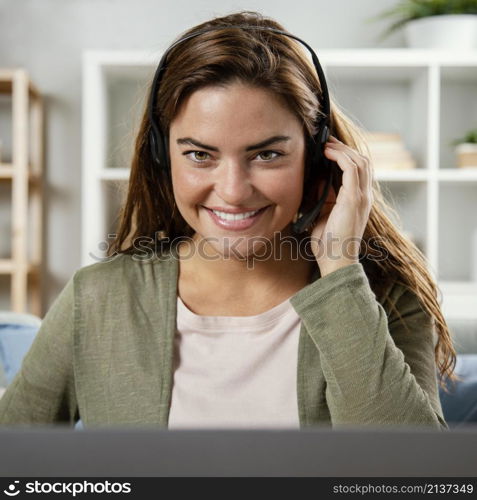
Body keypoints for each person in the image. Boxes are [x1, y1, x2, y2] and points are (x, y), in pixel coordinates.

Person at [0, 11, 456, 429]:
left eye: (268, 154)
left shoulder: (386, 303)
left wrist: (339, 271)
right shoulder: (97, 299)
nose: (233, 190)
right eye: (200, 155)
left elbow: (411, 478)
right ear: (162, 156)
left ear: (318, 160)